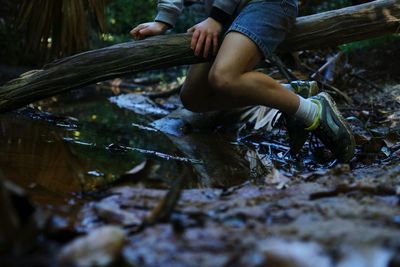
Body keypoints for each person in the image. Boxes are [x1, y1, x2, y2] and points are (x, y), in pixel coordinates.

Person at [130, 0, 355, 162]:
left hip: (265, 5)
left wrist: (215, 18)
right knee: (193, 97)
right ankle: (292, 93)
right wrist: (162, 21)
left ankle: (313, 110)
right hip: (225, 13)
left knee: (224, 76)